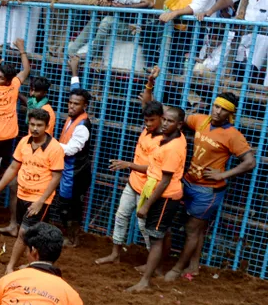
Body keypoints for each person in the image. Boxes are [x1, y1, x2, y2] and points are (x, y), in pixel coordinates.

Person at [164, 92, 255, 281]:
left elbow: (249, 162)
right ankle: (194, 266)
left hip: (208, 191)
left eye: (223, 109)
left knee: (192, 230)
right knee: (196, 230)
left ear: (230, 114)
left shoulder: (233, 135)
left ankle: (177, 269)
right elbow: (177, 117)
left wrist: (222, 175)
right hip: (188, 181)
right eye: (216, 106)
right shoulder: (201, 121)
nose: (217, 111)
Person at [95, 74, 163, 265]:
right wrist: (149, 83)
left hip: (148, 190)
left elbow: (153, 168)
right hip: (133, 184)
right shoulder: (149, 128)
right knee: (121, 216)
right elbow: (148, 106)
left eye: (151, 121)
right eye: (146, 120)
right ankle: (115, 254)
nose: (148, 124)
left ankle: (152, 264)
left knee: (144, 226)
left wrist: (128, 165)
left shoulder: (164, 141)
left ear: (161, 119)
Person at [0, 109, 65, 273]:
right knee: (34, 234)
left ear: (47, 126)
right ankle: (36, 265)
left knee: (24, 233)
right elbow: (13, 167)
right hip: (22, 195)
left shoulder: (55, 148)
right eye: (32, 124)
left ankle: (10, 266)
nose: (35, 128)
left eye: (39, 125)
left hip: (38, 199)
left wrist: (40, 201)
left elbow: (56, 177)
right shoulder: (24, 142)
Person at [126, 108, 187, 293]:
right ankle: (156, 268)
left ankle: (145, 281)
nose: (165, 123)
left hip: (165, 197)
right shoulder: (169, 138)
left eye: (170, 121)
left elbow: (164, 181)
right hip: (162, 194)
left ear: (179, 124)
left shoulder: (172, 147)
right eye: (165, 120)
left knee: (156, 238)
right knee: (162, 234)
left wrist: (146, 205)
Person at [0, 39, 30, 225]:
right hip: (10, 138)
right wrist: (22, 50)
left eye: (0, 77)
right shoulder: (14, 86)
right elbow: (26, 70)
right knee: (3, 171)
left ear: (7, 80)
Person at [194, 0, 268, 74]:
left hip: (261, 40)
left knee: (250, 73)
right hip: (239, 34)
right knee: (221, 65)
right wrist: (209, 11)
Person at [66, 0, 151, 62]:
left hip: (134, 30)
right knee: (95, 20)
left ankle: (90, 54)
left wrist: (124, 7)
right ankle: (70, 51)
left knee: (107, 20)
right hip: (117, 26)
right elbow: (103, 12)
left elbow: (149, 3)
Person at [55, 80, 93, 247]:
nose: (71, 106)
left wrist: (50, 145)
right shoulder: (74, 117)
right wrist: (75, 74)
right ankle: (70, 236)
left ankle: (72, 239)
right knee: (66, 205)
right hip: (68, 170)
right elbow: (75, 90)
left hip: (74, 172)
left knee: (69, 206)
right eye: (70, 102)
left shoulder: (82, 125)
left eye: (76, 104)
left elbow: (72, 149)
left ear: (85, 106)